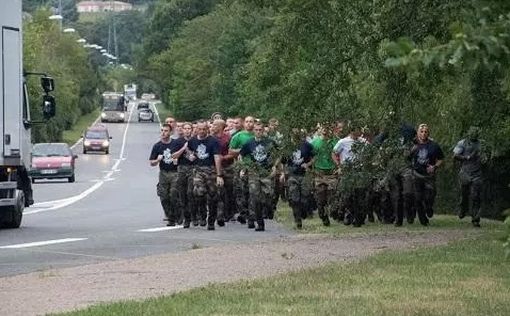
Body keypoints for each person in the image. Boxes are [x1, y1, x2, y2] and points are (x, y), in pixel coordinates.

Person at [240, 122, 277, 231]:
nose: (258, 132)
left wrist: (275, 166)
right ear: (253, 131)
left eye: (260, 130)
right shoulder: (249, 143)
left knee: (268, 196)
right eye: (256, 130)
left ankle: (269, 210)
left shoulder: (270, 142)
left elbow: (279, 155)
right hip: (254, 172)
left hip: (266, 172)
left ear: (263, 130)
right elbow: (241, 156)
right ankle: (259, 222)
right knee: (255, 197)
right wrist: (244, 168)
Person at [188, 121, 224, 230]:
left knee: (213, 196)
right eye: (200, 129)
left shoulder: (213, 141)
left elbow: (217, 157)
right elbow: (189, 150)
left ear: (207, 129)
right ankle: (202, 215)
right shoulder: (192, 140)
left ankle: (211, 221)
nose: (202, 131)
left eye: (204, 129)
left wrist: (219, 175)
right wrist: (190, 155)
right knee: (199, 193)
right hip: (198, 170)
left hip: (211, 170)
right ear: (196, 129)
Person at [149, 124, 185, 226]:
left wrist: (179, 156)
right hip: (163, 173)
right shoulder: (157, 146)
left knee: (173, 194)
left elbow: (184, 154)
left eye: (166, 131)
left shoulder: (176, 143)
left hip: (175, 172)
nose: (163, 133)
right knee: (164, 196)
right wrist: (157, 160)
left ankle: (179, 214)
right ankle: (170, 217)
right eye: (162, 131)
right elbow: (151, 162)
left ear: (170, 132)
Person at [411, 123, 444, 226]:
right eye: (421, 131)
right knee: (418, 198)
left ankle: (429, 207)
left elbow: (441, 159)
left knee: (430, 195)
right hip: (417, 174)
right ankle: (423, 220)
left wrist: (435, 167)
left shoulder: (434, 145)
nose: (423, 133)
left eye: (425, 132)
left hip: (429, 176)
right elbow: (406, 158)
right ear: (418, 133)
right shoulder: (413, 145)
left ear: (428, 133)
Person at [453, 126, 486, 227]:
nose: (474, 134)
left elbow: (485, 156)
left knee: (476, 196)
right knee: (464, 194)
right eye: (472, 133)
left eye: (476, 133)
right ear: (469, 133)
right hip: (465, 173)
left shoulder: (481, 144)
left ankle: (475, 219)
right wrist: (466, 157)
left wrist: (484, 159)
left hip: (477, 174)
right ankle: (463, 209)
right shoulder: (462, 143)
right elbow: (455, 155)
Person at [285, 129, 315, 229]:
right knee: (294, 198)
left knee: (305, 198)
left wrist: (308, 164)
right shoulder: (287, 146)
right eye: (294, 134)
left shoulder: (307, 145)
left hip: (304, 175)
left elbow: (315, 156)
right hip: (292, 175)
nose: (296, 135)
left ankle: (304, 212)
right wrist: (282, 173)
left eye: (298, 134)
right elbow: (282, 161)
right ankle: (297, 220)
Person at [228, 116, 255, 224]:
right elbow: (230, 151)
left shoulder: (258, 135)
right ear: (244, 123)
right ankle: (243, 213)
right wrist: (242, 150)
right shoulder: (238, 136)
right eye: (247, 122)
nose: (249, 124)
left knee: (253, 191)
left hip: (256, 167)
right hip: (241, 167)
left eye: (251, 122)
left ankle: (253, 212)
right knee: (241, 191)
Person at [311, 125, 339, 226]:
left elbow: (339, 154)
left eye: (327, 127)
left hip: (332, 173)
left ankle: (332, 213)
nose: (325, 129)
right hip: (319, 173)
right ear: (319, 129)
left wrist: (339, 167)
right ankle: (323, 216)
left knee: (332, 197)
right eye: (322, 127)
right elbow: (310, 157)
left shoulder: (335, 141)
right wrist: (311, 169)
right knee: (321, 198)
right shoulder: (314, 142)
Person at [211, 119, 235, 224]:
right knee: (218, 191)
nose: (213, 126)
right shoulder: (210, 138)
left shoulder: (228, 138)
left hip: (228, 167)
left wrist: (223, 158)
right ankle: (219, 215)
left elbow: (233, 153)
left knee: (229, 191)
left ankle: (229, 213)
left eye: (215, 125)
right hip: (215, 168)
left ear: (221, 127)